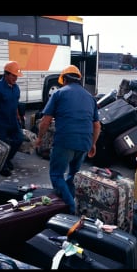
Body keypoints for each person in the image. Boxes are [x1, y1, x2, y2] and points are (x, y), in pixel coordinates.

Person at [35, 65, 101, 212]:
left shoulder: (59, 94)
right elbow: (97, 125)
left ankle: (71, 208)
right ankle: (70, 201)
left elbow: (46, 121)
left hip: (65, 142)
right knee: (72, 175)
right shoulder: (90, 98)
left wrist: (39, 138)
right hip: (84, 144)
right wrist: (93, 144)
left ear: (64, 79)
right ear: (78, 80)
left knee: (57, 175)